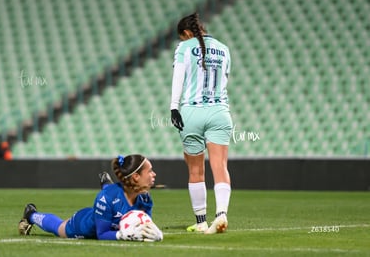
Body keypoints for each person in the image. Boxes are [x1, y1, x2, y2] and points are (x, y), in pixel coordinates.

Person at [170, 13, 232, 234]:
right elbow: (224, 80)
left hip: (191, 113)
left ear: (186, 34)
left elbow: (178, 78)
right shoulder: (224, 49)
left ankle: (201, 221)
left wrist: (173, 107)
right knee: (220, 166)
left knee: (196, 170)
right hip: (219, 112)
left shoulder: (184, 48)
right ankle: (221, 214)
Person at [18, 154, 163, 241]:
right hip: (85, 224)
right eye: (150, 171)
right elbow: (102, 234)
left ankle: (106, 184)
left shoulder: (145, 198)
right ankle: (31, 214)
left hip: (108, 207)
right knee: (59, 228)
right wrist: (121, 235)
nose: (154, 174)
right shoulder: (106, 198)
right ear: (136, 177)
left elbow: (146, 225)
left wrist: (155, 234)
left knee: (111, 196)